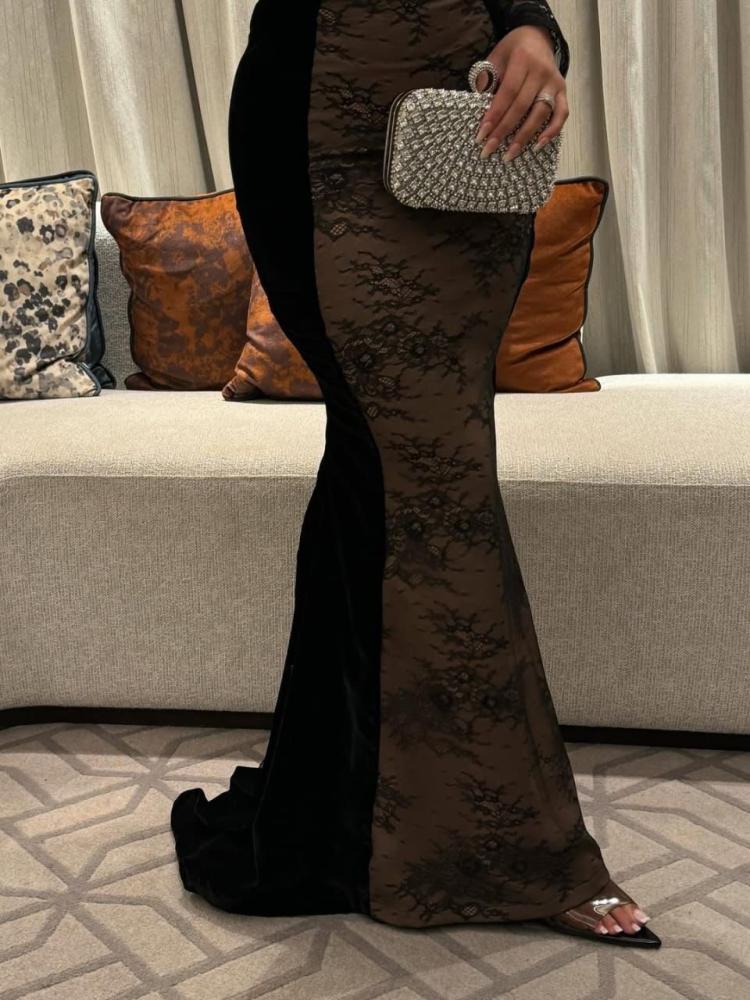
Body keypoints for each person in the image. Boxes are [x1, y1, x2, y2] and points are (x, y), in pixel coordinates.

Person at [170, 0, 661, 948]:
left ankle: (336, 813)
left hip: (465, 133)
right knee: (431, 479)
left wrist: (533, 31)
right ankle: (517, 846)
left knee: (388, 469)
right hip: (315, 122)